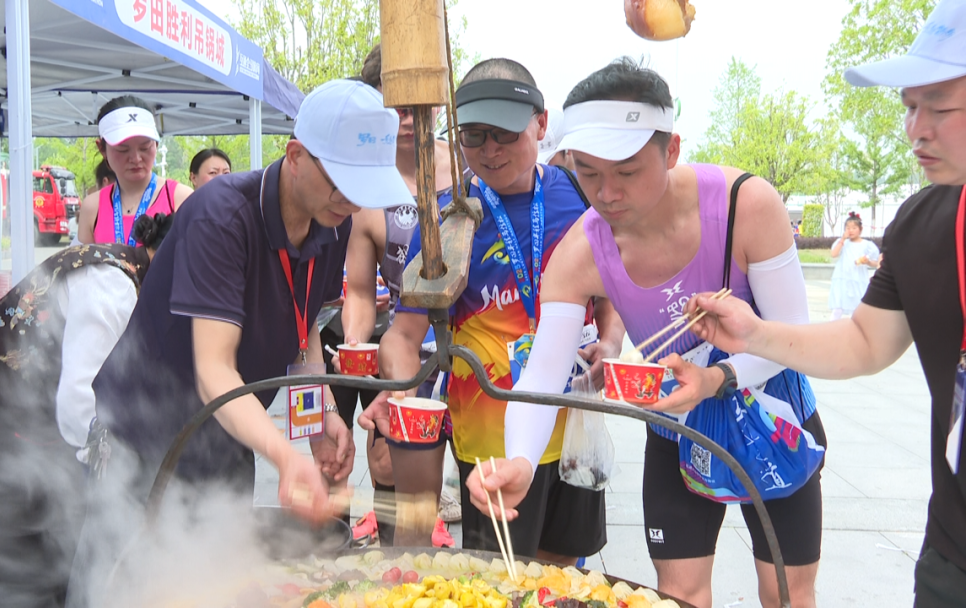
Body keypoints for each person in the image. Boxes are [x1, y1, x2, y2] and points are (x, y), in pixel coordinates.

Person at [470, 58, 824, 608]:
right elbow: (542, 373)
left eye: (627, 171)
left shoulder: (745, 204)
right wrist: (519, 460)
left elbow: (792, 337)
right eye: (588, 172)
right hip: (678, 424)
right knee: (677, 594)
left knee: (787, 592)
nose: (607, 194)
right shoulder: (582, 250)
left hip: (774, 413)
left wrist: (717, 378)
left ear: (672, 149)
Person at [70, 80, 413, 605]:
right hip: (148, 436)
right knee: (128, 588)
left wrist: (319, 416)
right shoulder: (221, 215)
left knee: (218, 582)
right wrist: (284, 457)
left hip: (231, 430)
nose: (352, 201)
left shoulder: (334, 220)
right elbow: (214, 371)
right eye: (342, 182)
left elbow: (302, 327)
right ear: (295, 157)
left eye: (364, 187)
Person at [684, 2, 966, 605]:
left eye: (940, 107)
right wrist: (754, 333)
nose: (916, 129)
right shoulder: (923, 223)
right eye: (909, 106)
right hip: (954, 549)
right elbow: (864, 342)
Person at [360, 58, 621, 564]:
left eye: (505, 133)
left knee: (563, 575)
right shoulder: (444, 220)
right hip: (490, 440)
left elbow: (610, 291)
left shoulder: (580, 196)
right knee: (502, 579)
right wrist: (400, 390)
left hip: (573, 427)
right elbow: (403, 336)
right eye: (474, 136)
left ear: (541, 124)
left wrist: (609, 342)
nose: (490, 150)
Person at [0, 215, 173, 608]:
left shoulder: (129, 273)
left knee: (39, 535)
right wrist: (112, 470)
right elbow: (78, 397)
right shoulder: (114, 284)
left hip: (27, 404)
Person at [331, 45, 456, 548]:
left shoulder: (469, 171)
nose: (408, 120)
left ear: (439, 101)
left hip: (475, 347)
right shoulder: (364, 189)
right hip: (405, 351)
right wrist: (355, 342)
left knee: (489, 490)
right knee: (392, 477)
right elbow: (361, 291)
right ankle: (406, 567)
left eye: (418, 107)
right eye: (395, 108)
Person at [76, 96, 192, 245]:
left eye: (145, 147)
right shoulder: (92, 208)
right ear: (102, 149)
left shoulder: (180, 199)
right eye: (123, 149)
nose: (136, 159)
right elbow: (85, 260)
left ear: (156, 144)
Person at [829, 211, 880, 319]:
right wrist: (843, 239)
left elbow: (876, 263)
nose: (850, 231)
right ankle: (832, 326)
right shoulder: (842, 242)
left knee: (857, 308)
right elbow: (834, 254)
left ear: (860, 229)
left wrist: (868, 262)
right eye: (848, 228)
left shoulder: (867, 245)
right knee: (838, 307)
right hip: (842, 278)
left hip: (858, 278)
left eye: (854, 228)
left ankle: (856, 326)